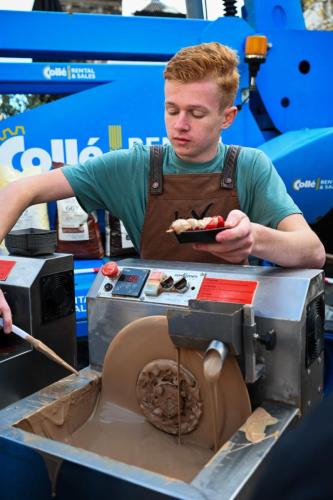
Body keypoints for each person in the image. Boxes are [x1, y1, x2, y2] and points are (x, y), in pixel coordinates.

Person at [0, 42, 325, 333]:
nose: (180, 124)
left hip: (230, 329)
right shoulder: (131, 167)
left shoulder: (249, 166)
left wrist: (254, 238)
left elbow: (312, 252)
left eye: (196, 113)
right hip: (149, 327)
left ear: (227, 118)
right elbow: (19, 191)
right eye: (172, 110)